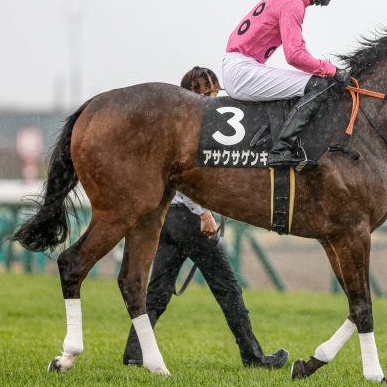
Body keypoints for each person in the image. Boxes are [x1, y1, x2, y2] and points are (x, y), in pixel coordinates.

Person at [122, 66, 289, 369]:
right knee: (228, 289)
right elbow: (184, 179)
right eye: (210, 93)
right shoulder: (195, 125)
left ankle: (135, 353)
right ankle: (253, 357)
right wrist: (205, 214)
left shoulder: (173, 123)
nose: (215, 99)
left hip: (169, 220)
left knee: (157, 292)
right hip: (189, 219)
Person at [222, 0, 352, 169]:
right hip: (241, 70)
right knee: (321, 84)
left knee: (313, 80)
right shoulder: (294, 4)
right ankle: (281, 150)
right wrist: (332, 70)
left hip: (241, 65)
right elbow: (295, 56)